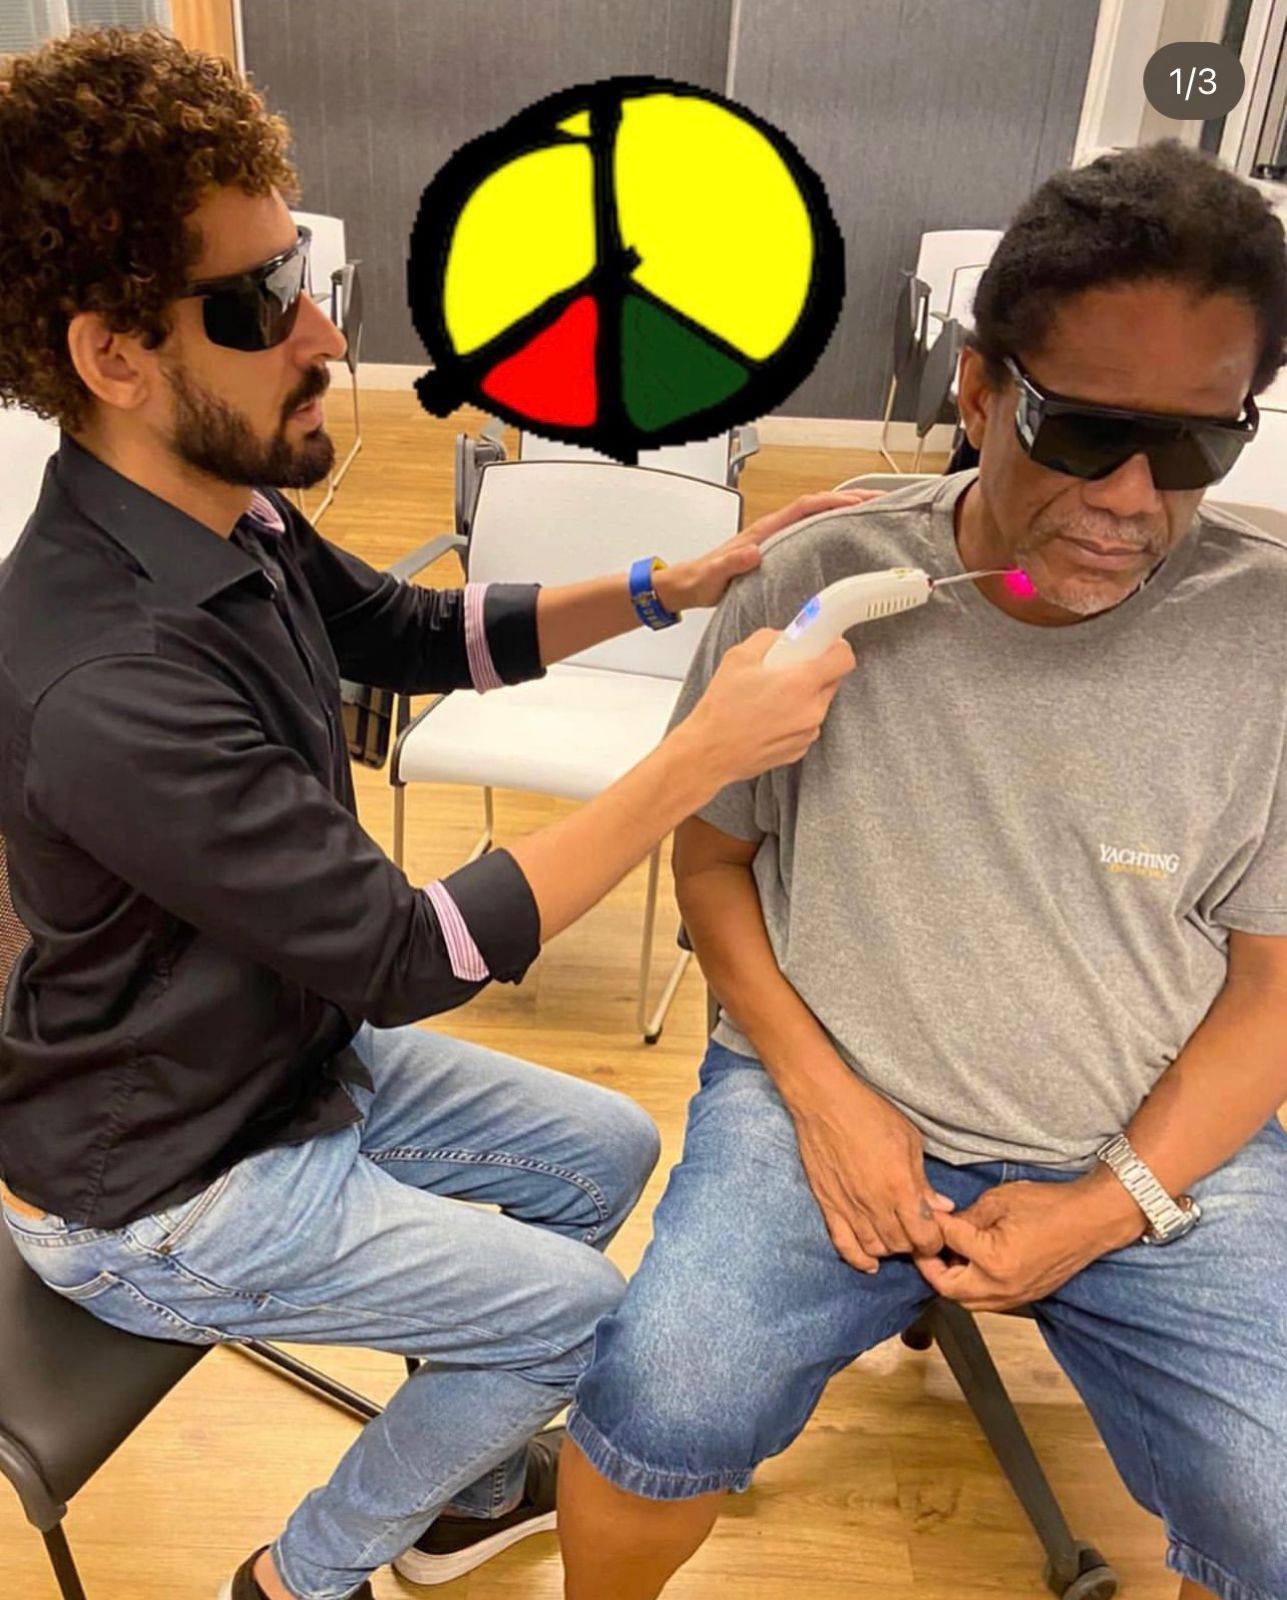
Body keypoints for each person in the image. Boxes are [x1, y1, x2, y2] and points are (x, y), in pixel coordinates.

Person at [0, 30, 861, 1600]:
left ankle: (458, 1490)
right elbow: (410, 954)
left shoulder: (224, 509)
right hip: (167, 1190)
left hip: (279, 1062)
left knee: (604, 1152)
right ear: (114, 357)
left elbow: (413, 631)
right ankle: (301, 1578)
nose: (326, 333)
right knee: (581, 1321)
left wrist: (672, 584)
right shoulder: (105, 679)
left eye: (306, 273)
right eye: (261, 301)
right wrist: (693, 759)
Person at [559, 140, 1287, 1600]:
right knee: (661, 1401)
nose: (1132, 499)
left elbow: (1274, 982)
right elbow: (713, 865)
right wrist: (827, 1103)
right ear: (978, 391)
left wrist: (1108, 1203)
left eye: (1195, 448)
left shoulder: (1267, 637)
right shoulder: (816, 589)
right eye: (1084, 431)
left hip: (1149, 1138)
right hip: (829, 1090)